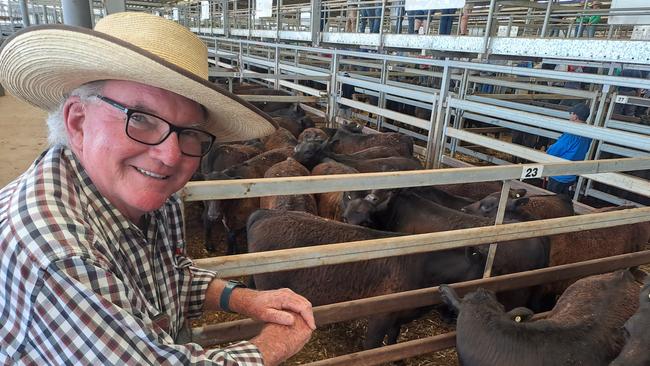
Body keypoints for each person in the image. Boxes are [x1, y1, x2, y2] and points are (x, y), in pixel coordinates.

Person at [0, 12, 315, 365]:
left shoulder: (149, 195)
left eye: (190, 132)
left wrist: (245, 299)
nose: (169, 155)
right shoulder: (56, 253)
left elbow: (169, 274)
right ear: (78, 121)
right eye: (141, 119)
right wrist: (272, 345)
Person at [545, 103, 593, 195]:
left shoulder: (572, 133)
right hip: (572, 174)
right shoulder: (588, 132)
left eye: (571, 113)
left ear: (575, 116)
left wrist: (546, 153)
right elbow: (585, 150)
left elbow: (555, 151)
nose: (570, 116)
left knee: (552, 200)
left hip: (558, 175)